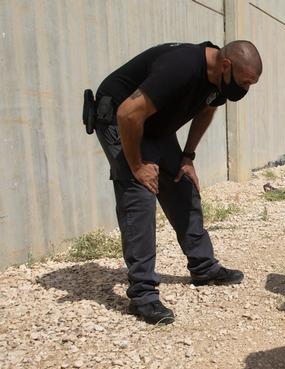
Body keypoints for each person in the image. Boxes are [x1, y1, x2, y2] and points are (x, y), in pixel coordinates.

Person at [92, 40, 262, 325]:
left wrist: (187, 156)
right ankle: (143, 294)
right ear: (227, 65)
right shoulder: (181, 67)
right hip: (122, 120)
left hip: (155, 124)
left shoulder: (218, 79)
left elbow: (207, 109)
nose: (245, 90)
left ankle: (203, 268)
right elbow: (127, 113)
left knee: (182, 184)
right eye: (245, 82)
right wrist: (136, 165)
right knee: (140, 194)